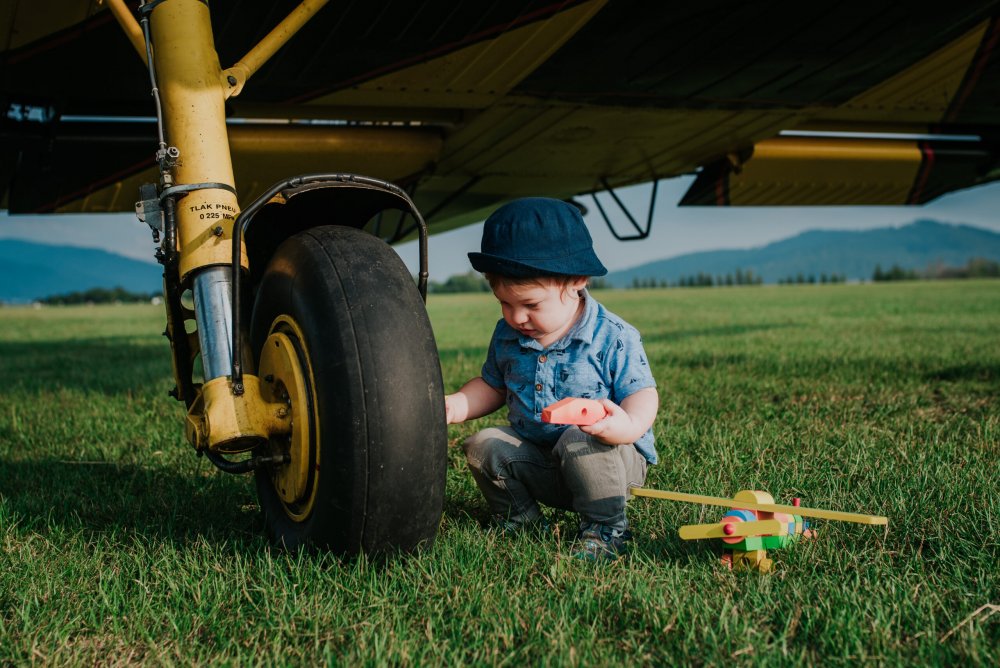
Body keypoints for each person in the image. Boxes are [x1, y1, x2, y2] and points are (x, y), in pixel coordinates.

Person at [445, 197, 659, 561]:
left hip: (608, 461)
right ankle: (520, 520)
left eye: (531, 305)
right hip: (541, 459)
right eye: (504, 303)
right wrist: (454, 405)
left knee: (581, 435)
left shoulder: (613, 336)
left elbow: (643, 394)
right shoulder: (507, 335)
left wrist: (626, 426)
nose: (516, 317)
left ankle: (605, 531)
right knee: (485, 444)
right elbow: (493, 386)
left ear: (576, 282)